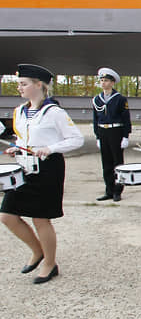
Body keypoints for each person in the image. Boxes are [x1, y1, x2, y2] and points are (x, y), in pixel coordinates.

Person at [1, 64, 83, 284]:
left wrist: (51, 148)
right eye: (19, 84)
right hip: (24, 168)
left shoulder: (54, 112)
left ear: (39, 85)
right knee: (7, 216)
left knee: (40, 218)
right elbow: (22, 139)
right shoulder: (20, 111)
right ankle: (38, 252)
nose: (19, 88)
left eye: (24, 84)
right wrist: (17, 148)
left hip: (48, 168)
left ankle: (50, 263)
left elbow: (76, 139)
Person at [92, 67, 131, 202]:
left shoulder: (120, 99)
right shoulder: (97, 99)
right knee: (106, 163)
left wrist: (126, 136)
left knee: (117, 163)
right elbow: (95, 119)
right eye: (102, 80)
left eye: (106, 80)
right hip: (103, 131)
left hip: (116, 131)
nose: (103, 83)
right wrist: (97, 136)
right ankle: (108, 190)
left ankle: (117, 190)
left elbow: (126, 118)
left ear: (113, 83)